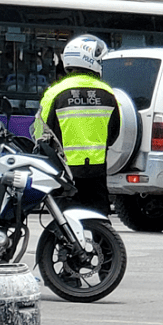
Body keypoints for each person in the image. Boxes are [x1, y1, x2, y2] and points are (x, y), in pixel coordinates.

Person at [31, 34, 121, 213]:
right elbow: (114, 133)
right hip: (96, 171)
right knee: (100, 220)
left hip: (64, 170)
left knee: (66, 223)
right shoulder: (107, 93)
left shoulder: (54, 92)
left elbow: (39, 132)